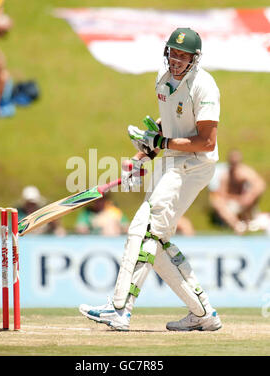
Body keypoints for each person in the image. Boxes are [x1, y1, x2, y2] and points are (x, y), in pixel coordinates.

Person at [79, 28, 222, 332]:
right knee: (150, 238)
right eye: (173, 52)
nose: (176, 60)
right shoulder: (162, 77)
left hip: (194, 164)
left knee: (146, 230)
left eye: (184, 56)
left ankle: (119, 309)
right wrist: (143, 154)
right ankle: (203, 313)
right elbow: (167, 124)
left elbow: (207, 141)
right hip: (171, 161)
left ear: (194, 59)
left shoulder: (204, 86)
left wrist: (163, 142)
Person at [209, 149, 266, 235]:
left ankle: (246, 222)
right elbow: (221, 195)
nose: (234, 165)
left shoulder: (245, 172)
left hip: (245, 204)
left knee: (251, 195)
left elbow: (260, 185)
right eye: (232, 162)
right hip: (231, 204)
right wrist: (236, 198)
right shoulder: (225, 176)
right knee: (216, 201)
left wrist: (249, 196)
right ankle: (237, 225)